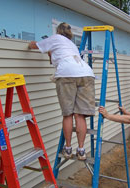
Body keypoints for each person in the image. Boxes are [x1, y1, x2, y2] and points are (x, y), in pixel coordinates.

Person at [28, 22, 95, 161]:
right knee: (80, 115)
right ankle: (81, 150)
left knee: (68, 114)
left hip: (67, 74)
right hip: (86, 73)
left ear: (58, 31)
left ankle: (68, 148)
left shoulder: (56, 38)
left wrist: (31, 43)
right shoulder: (71, 45)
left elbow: (35, 46)